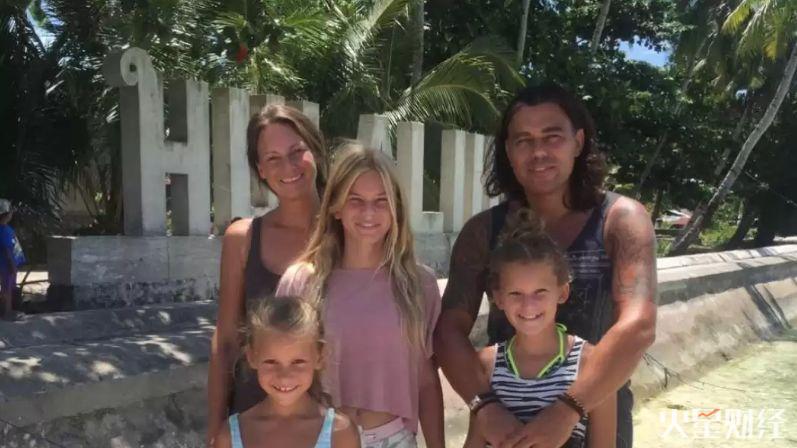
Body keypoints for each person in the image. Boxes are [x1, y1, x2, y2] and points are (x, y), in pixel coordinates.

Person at [434, 84, 657, 448]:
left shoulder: (620, 221)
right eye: (523, 140)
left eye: (552, 137)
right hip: (503, 418)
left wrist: (567, 410)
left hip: (598, 411)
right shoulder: (482, 232)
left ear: (578, 142)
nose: (538, 152)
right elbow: (448, 331)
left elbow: (639, 324)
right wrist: (485, 406)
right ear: (508, 150)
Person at [277, 145, 444, 448]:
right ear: (336, 207)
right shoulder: (300, 282)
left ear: (396, 210)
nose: (369, 213)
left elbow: (426, 380)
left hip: (394, 439)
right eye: (355, 200)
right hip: (318, 438)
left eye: (381, 201)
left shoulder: (420, 285)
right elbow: (280, 376)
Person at [208, 105, 329, 444]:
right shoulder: (243, 239)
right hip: (253, 424)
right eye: (272, 158)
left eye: (296, 151)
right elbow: (226, 341)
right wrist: (215, 429)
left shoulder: (350, 231)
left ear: (316, 151)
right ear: (260, 169)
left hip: (329, 426)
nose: (288, 167)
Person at [463, 208, 615, 448]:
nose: (528, 305)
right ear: (498, 298)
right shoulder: (485, 365)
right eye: (516, 293)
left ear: (562, 292)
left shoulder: (593, 364)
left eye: (540, 292)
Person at [213, 295, 360, 448]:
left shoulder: (339, 434)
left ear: (319, 357)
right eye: (271, 362)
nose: (284, 377)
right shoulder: (229, 436)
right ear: (251, 357)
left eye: (298, 362)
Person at [0, 199, 25, 321]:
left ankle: (7, 310)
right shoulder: (3, 231)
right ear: (5, 214)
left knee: (8, 288)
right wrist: (13, 266)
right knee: (7, 289)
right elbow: (7, 250)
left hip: (7, 265)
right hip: (7, 265)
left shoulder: (5, 228)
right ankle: (7, 312)